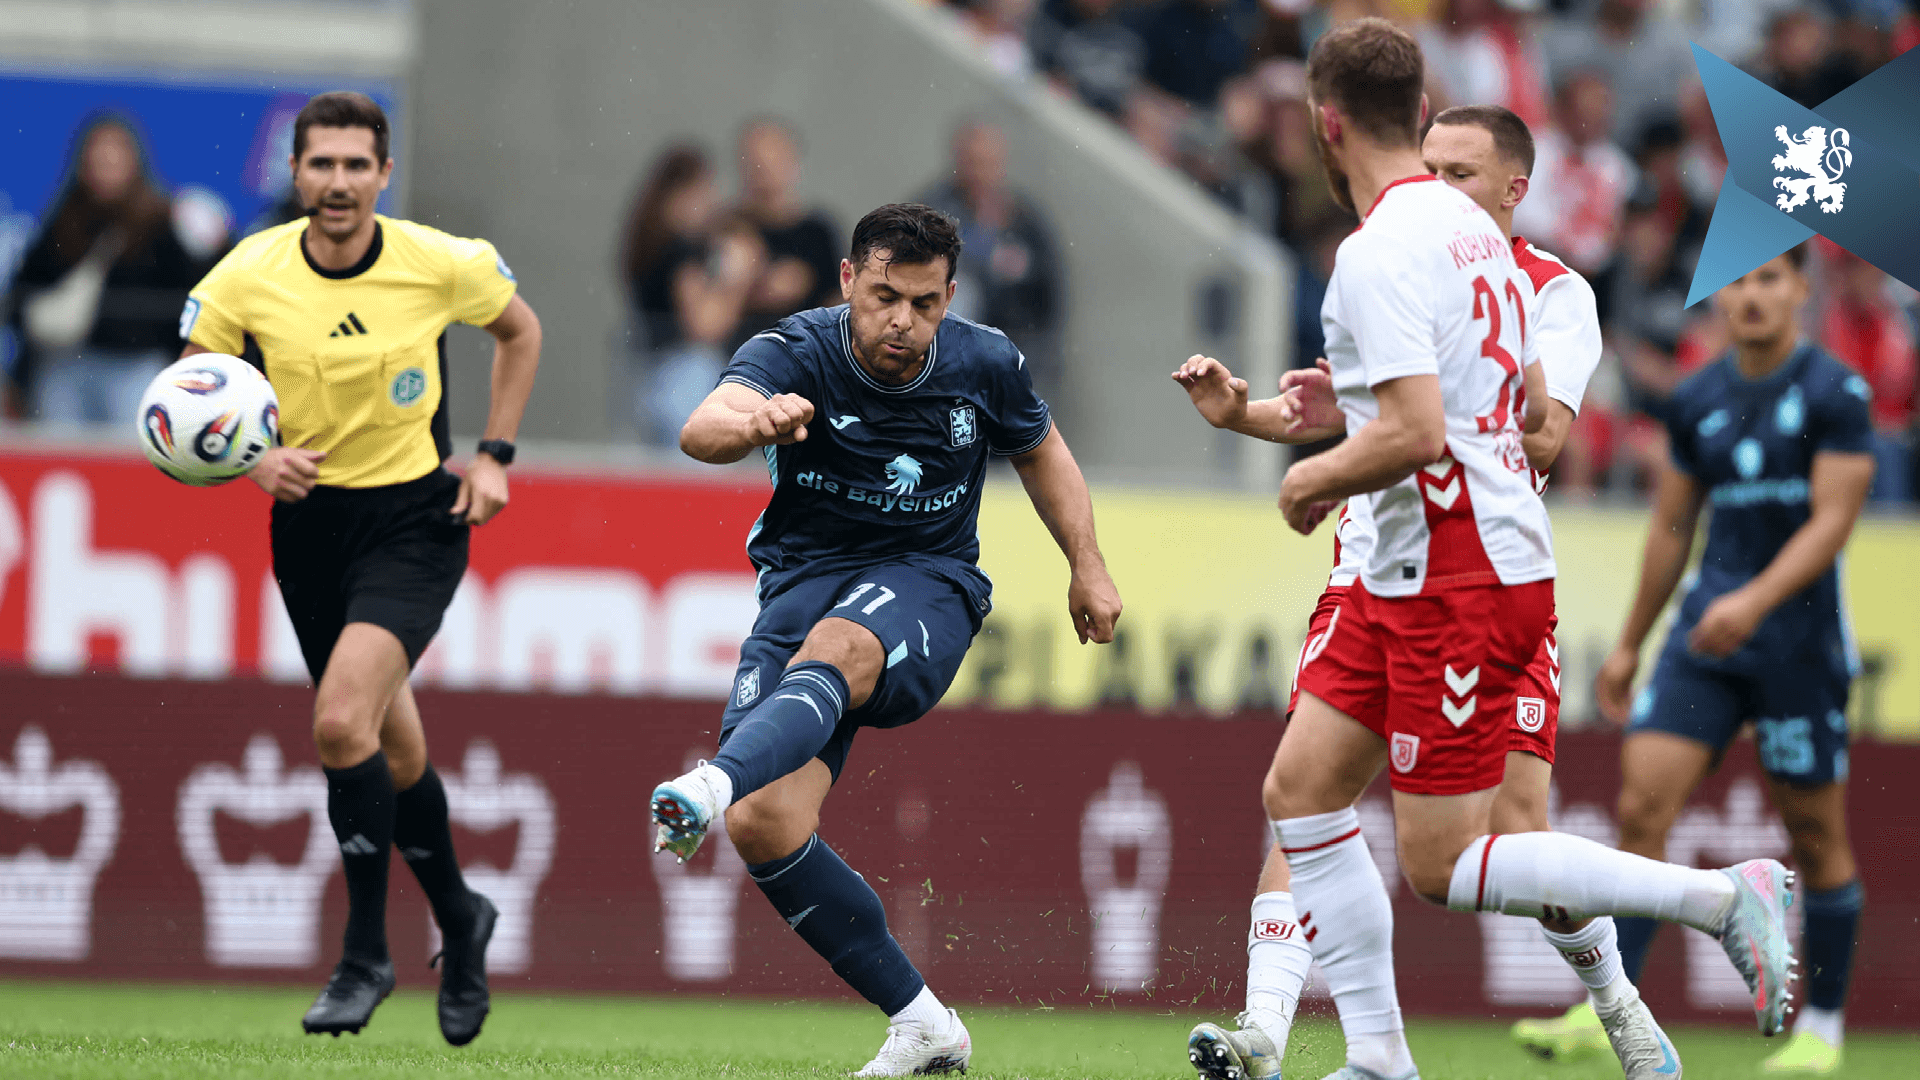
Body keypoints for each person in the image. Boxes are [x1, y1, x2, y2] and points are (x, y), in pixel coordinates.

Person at [1169, 20, 1793, 1080]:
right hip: (1399, 566)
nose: (1454, 177)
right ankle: (1366, 1055)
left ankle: (1724, 898)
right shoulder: (1471, 250)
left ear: (1326, 126)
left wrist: (1320, 468)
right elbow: (1439, 400)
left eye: (1473, 167)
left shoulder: (1394, 252)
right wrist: (1300, 411)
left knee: (1448, 862)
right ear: (1414, 121)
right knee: (1303, 793)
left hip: (1464, 568)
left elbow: (1446, 429)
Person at [647, 203, 1122, 1077]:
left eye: (924, 303)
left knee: (840, 647)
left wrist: (1086, 564)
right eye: (883, 296)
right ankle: (924, 1023)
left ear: (949, 297)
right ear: (847, 282)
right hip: (799, 580)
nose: (902, 321)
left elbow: (1044, 451)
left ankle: (710, 783)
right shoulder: (795, 350)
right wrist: (755, 423)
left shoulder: (985, 362)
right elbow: (701, 425)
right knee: (767, 824)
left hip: (928, 581)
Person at [178, 91, 543, 1045]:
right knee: (398, 751)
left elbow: (521, 331)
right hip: (308, 531)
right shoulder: (247, 275)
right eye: (321, 164)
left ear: (384, 175)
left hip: (416, 520)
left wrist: (496, 455)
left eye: (356, 165)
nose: (338, 182)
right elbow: (191, 387)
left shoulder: (440, 262)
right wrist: (252, 459)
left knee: (342, 723)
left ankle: (365, 955)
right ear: (295, 175)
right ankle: (462, 919)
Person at [1582, 244, 1875, 1077]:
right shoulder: (1697, 398)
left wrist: (1753, 601)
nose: (1750, 297)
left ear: (1798, 291)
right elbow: (1672, 529)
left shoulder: (1835, 393)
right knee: (1642, 803)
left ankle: (1821, 1026)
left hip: (1799, 649)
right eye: (1738, 282)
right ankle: (1617, 1009)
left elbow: (1831, 524)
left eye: (1768, 280)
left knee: (1815, 833)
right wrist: (1633, 639)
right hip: (1704, 644)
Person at [7, 115, 201, 423]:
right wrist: (19, 378)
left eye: (115, 158)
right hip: (66, 366)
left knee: (134, 460)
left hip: (136, 367)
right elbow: (25, 291)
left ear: (134, 162)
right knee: (60, 455)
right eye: (98, 158)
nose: (106, 168)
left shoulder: (161, 223)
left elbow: (190, 299)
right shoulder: (64, 221)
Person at [618, 144, 765, 444]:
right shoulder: (680, 251)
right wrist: (738, 278)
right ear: (682, 193)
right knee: (693, 473)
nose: (711, 201)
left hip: (650, 377)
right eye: (704, 190)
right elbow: (705, 326)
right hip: (683, 379)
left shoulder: (652, 245)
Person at [917, 120, 1064, 403]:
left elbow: (1050, 298)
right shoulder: (931, 212)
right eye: (973, 163)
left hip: (1015, 350)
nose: (980, 174)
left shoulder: (1025, 222)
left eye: (989, 163)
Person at [733, 119, 842, 334]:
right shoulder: (730, 227)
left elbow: (836, 296)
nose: (763, 170)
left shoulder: (818, 232)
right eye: (755, 162)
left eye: (773, 160)